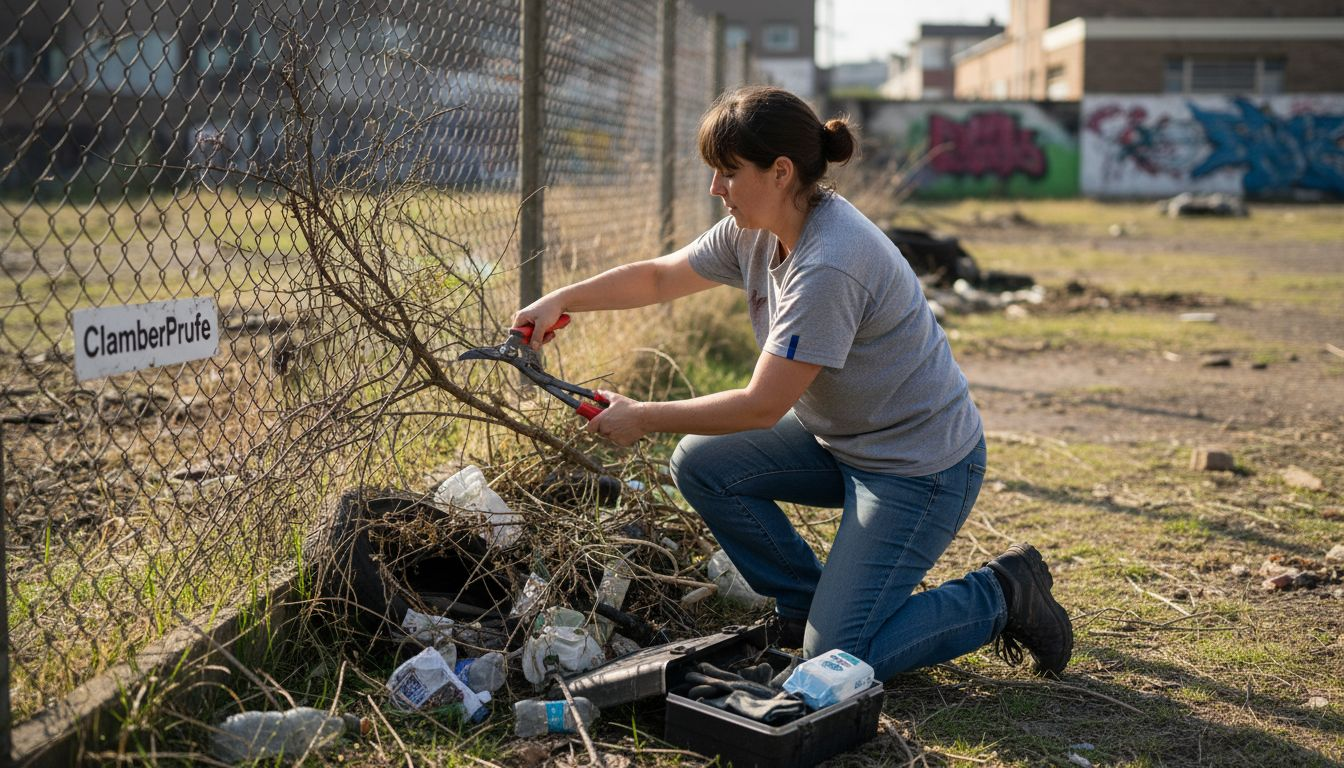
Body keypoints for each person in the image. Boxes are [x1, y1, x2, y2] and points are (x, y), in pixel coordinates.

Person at [513, 85, 1073, 679]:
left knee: (839, 660)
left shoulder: (830, 263)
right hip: (841, 443)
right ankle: (806, 605)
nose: (715, 189)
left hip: (918, 467)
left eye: (728, 173)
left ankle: (1003, 594)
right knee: (702, 463)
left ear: (780, 172)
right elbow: (657, 278)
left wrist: (642, 415)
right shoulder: (757, 229)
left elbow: (760, 406)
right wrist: (560, 300)